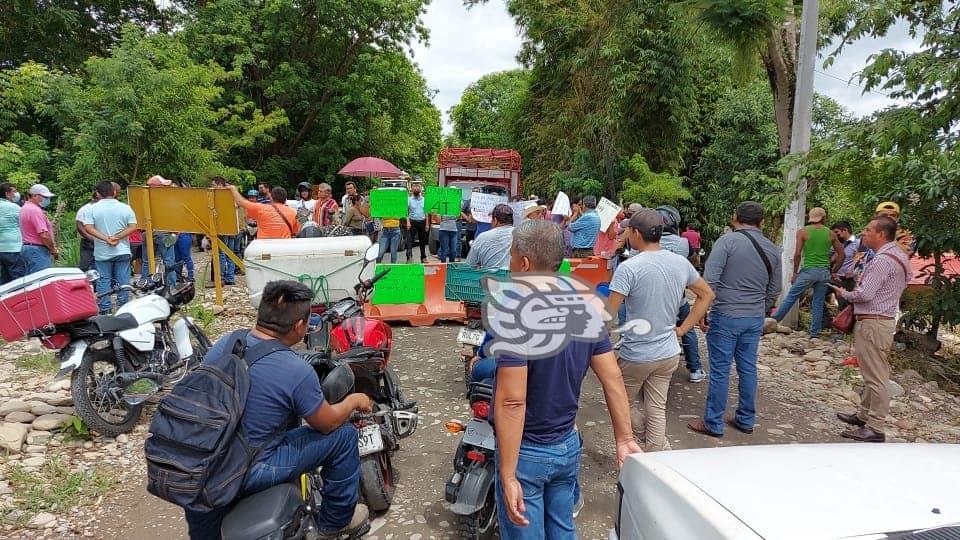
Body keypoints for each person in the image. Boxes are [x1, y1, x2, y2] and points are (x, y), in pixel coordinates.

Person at [183, 281, 372, 539]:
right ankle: (335, 522)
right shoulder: (295, 369)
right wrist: (354, 401)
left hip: (199, 461)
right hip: (250, 467)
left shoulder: (226, 343)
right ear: (299, 327)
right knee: (343, 437)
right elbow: (327, 423)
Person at [494, 219, 641, 538]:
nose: (509, 263)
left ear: (524, 262)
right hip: (567, 446)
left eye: (510, 256)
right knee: (563, 528)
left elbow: (512, 400)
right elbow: (612, 376)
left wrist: (507, 474)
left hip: (527, 452)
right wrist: (624, 437)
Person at [607, 209, 714, 451]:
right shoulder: (679, 262)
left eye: (627, 231)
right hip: (668, 352)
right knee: (656, 406)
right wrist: (682, 329)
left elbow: (608, 314)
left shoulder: (629, 268)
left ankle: (638, 445)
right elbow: (706, 294)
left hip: (637, 353)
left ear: (636, 233)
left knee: (621, 402)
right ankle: (658, 453)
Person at [687, 201, 782, 438]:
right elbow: (775, 288)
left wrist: (703, 311)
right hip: (753, 318)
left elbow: (710, 282)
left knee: (720, 370)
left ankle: (713, 422)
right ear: (762, 221)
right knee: (748, 368)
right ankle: (745, 418)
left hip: (726, 315)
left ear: (735, 217)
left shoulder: (727, 242)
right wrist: (761, 307)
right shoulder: (772, 248)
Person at [830, 216, 912, 443]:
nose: (863, 234)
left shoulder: (882, 260)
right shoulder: (899, 256)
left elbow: (865, 294)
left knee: (875, 375)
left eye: (868, 230)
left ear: (881, 234)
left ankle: (875, 426)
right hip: (881, 319)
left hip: (873, 321)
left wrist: (844, 294)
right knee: (870, 370)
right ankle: (864, 415)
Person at [770, 207, 844, 338]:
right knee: (818, 301)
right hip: (824, 272)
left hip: (809, 271)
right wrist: (833, 271)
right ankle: (814, 333)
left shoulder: (803, 232)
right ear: (824, 218)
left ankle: (773, 321)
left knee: (792, 296)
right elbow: (842, 254)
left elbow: (797, 254)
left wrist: (794, 273)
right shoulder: (830, 234)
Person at [654, 206, 705, 383]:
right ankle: (695, 368)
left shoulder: (644, 242)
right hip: (677, 298)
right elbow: (692, 260)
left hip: (651, 298)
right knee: (687, 330)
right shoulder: (683, 243)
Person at [83, 181, 138, 314]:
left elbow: (88, 227)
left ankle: (105, 308)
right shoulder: (125, 207)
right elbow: (133, 226)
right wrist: (117, 237)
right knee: (123, 279)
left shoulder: (91, 209)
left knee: (104, 279)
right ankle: (123, 306)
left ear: (98, 193)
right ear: (114, 192)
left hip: (102, 252)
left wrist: (105, 238)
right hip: (122, 249)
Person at [227, 184, 299, 240]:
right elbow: (295, 232)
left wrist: (233, 189)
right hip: (283, 248)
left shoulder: (261, 208)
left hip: (263, 247)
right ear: (285, 199)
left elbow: (240, 202)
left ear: (271, 197)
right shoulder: (294, 213)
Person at [19, 183, 58, 274]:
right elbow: (44, 235)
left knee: (31, 280)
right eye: (45, 197)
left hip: (29, 248)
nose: (47, 200)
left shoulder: (25, 208)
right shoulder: (35, 211)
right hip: (37, 250)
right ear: (35, 196)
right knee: (40, 280)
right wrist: (53, 249)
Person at [465, 204, 514, 270]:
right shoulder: (522, 235)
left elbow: (469, 266)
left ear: (495, 220)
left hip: (489, 278)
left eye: (491, 219)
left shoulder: (482, 237)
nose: (490, 222)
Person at [0, 183, 26, 283]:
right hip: (14, 247)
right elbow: (25, 223)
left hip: (1, 249)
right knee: (19, 279)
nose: (17, 194)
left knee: (5, 279)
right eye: (14, 192)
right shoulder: (14, 208)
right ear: (7, 194)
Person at [831, 221, 858, 311]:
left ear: (845, 230)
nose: (835, 235)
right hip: (835, 278)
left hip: (848, 280)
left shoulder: (858, 244)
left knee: (845, 307)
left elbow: (863, 262)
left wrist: (853, 272)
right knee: (815, 295)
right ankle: (826, 321)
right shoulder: (836, 244)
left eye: (836, 232)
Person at [75, 189, 101, 272]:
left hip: (102, 240)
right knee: (85, 265)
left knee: (99, 265)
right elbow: (79, 226)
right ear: (94, 198)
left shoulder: (102, 209)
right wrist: (90, 238)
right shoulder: (84, 209)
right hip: (88, 242)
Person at [405, 181, 429, 263]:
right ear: (411, 188)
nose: (416, 188)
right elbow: (406, 211)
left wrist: (427, 224)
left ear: (420, 188)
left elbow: (426, 212)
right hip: (412, 222)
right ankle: (409, 257)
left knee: (422, 241)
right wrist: (408, 222)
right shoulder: (409, 199)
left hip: (422, 222)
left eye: (418, 186)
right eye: (414, 186)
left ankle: (423, 257)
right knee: (409, 241)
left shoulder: (424, 199)